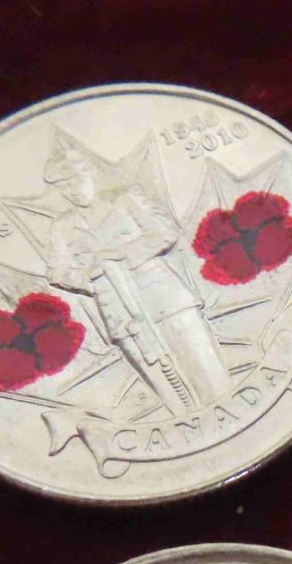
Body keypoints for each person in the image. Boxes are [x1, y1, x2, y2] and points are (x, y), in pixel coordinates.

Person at [42, 143, 231, 414]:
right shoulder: (62, 226)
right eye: (63, 185)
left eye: (74, 179)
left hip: (164, 298)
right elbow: (57, 271)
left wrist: (121, 255)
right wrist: (90, 276)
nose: (71, 189)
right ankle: (191, 428)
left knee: (206, 372)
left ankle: (230, 414)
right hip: (118, 313)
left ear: (89, 173)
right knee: (167, 390)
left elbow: (164, 232)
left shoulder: (126, 198)